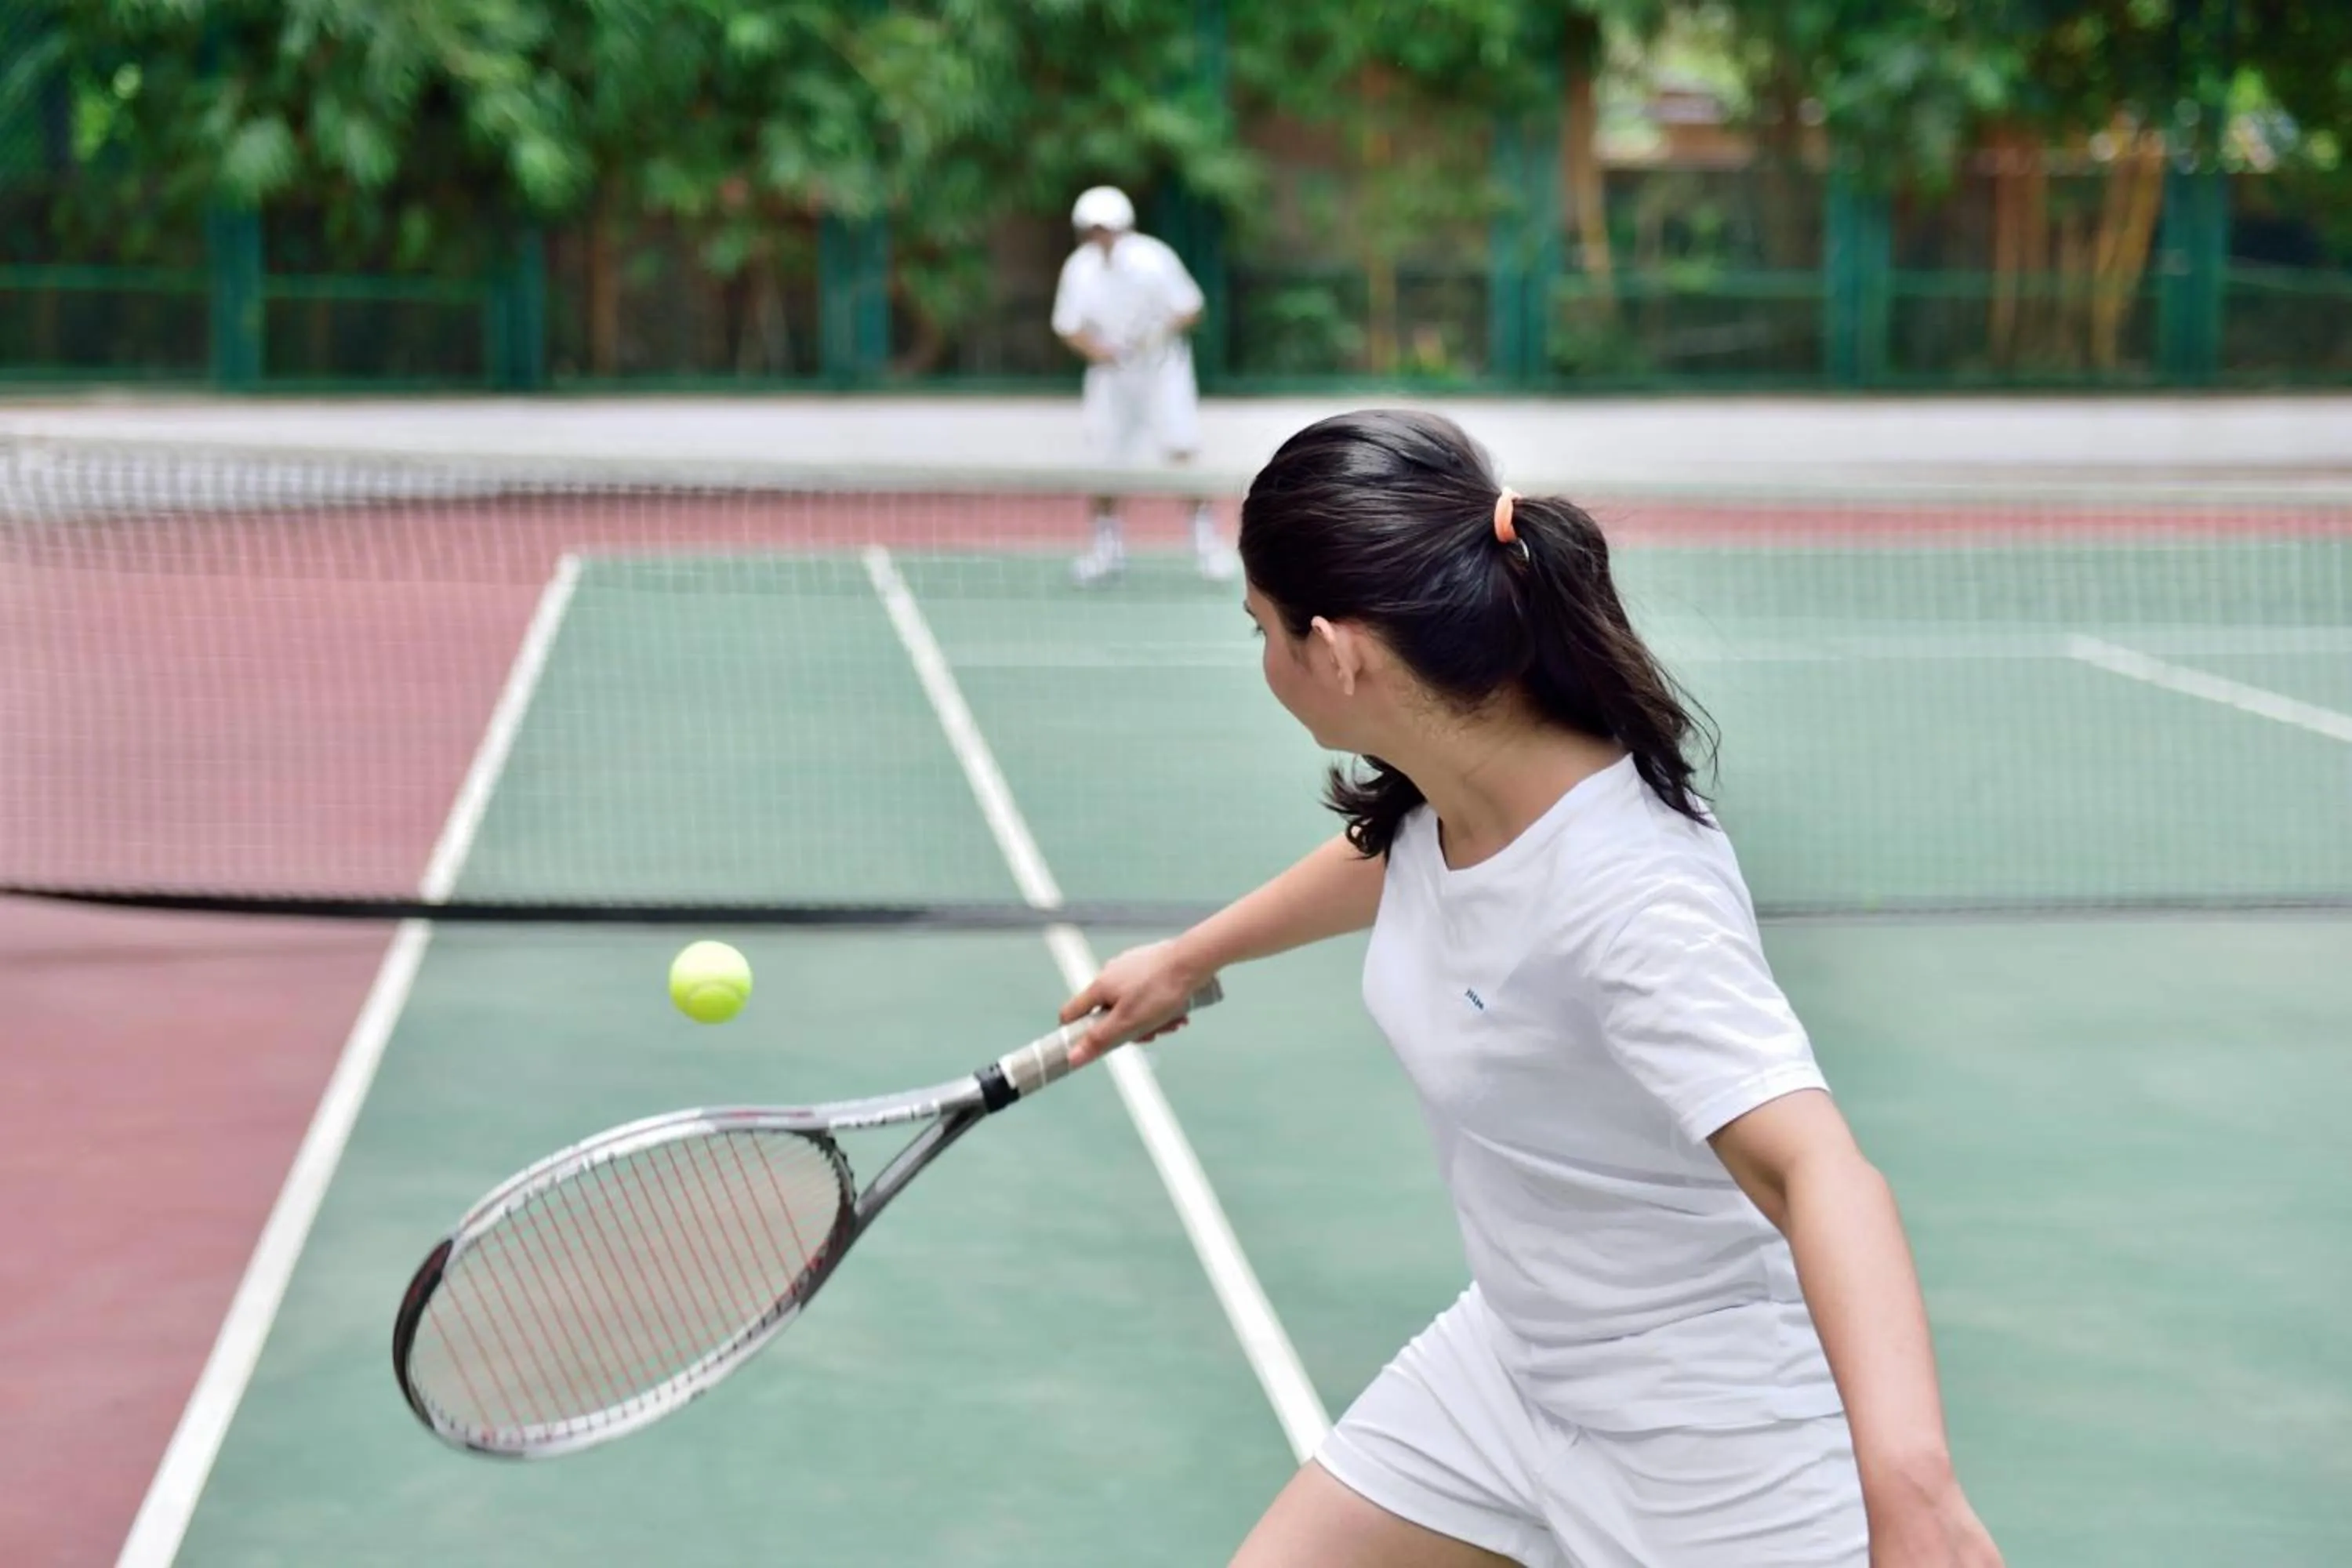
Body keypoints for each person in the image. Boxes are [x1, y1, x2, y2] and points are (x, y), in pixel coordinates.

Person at [1062, 410, 2005, 1568]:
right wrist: (1191, 956)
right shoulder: (1470, 779)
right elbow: (1403, 858)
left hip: (1708, 1435)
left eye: (1261, 628)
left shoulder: (1633, 895)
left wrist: (1912, 1492)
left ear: (1340, 652)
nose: (1258, 656)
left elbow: (1820, 1169)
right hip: (1516, 1362)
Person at [1051, 184, 1236, 586]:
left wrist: (1156, 336)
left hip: (1163, 374)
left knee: (1183, 451)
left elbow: (1190, 308)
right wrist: (1100, 352)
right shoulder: (1079, 268)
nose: (1101, 236)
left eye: (1108, 227)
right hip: (1110, 378)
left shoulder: (1154, 259)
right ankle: (1107, 551)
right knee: (1103, 463)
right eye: (1093, 228)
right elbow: (1068, 326)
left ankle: (1207, 547)